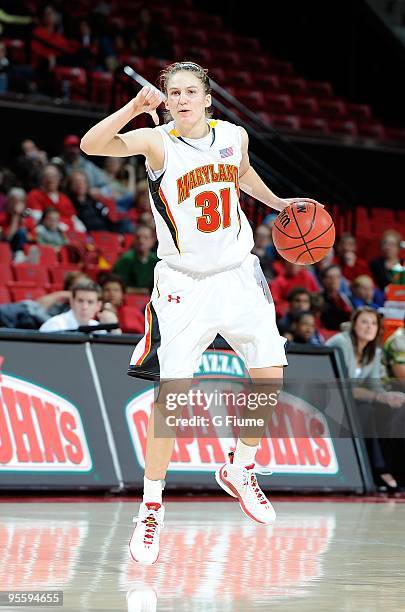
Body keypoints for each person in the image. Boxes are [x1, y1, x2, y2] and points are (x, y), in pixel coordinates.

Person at [80, 60, 322, 565]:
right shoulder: (156, 142)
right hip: (184, 284)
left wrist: (276, 202)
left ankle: (241, 466)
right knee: (172, 399)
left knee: (270, 372)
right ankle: (150, 508)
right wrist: (133, 108)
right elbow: (91, 146)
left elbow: (243, 173)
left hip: (237, 273)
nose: (182, 99)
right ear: (164, 100)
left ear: (208, 98)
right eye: (173, 92)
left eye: (191, 91)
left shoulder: (233, 135)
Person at [326, 307, 405, 490]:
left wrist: (389, 396)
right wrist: (378, 397)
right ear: (354, 325)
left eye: (374, 323)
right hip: (330, 400)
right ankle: (378, 470)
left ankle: (397, 469)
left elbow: (374, 385)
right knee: (367, 411)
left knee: (394, 410)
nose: (369, 327)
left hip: (355, 401)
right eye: (364, 322)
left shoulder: (374, 352)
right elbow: (343, 387)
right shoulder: (340, 343)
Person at [39, 280, 120, 333]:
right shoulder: (55, 326)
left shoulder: (98, 329)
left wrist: (114, 328)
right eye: (80, 301)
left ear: (98, 306)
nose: (84, 307)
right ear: (72, 302)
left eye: (90, 302)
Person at [113, 225, 158, 294]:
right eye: (138, 237)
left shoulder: (157, 261)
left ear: (152, 241)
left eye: (145, 238)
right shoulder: (126, 259)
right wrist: (144, 292)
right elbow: (117, 287)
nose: (141, 241)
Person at [319, 264, 353, 331]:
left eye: (337, 277)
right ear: (323, 280)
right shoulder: (319, 299)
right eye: (330, 277)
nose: (334, 281)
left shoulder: (345, 298)